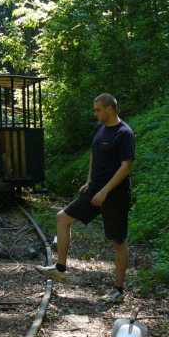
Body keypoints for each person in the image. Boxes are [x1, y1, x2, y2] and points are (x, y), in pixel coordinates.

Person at [36, 93, 135, 303]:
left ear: (109, 109)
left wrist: (105, 191)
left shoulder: (124, 133)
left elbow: (126, 166)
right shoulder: (99, 128)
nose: (95, 113)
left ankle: (118, 290)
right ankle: (60, 268)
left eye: (98, 109)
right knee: (62, 218)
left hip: (114, 195)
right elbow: (94, 154)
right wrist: (90, 181)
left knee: (118, 242)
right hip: (95, 190)